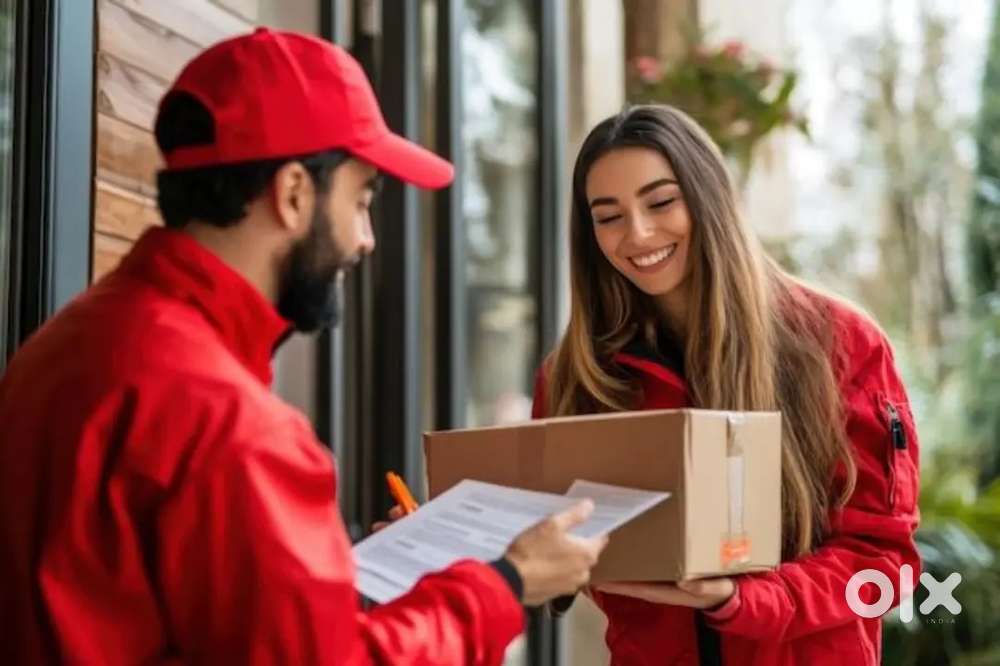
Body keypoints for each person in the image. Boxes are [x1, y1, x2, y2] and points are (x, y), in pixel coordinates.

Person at [0, 29, 607, 665]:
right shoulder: (231, 422)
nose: (366, 238)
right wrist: (505, 584)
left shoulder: (71, 341)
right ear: (293, 194)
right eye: (362, 199)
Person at [531, 105, 921, 665]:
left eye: (661, 202)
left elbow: (887, 564)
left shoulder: (839, 343)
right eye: (608, 216)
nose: (637, 234)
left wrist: (743, 600)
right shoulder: (577, 373)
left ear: (708, 197)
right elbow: (563, 540)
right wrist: (471, 530)